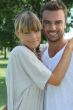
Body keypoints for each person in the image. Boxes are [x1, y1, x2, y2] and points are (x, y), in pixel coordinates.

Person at [4, 11, 73, 110]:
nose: (33, 37)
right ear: (18, 33)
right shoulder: (20, 52)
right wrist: (69, 47)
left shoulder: (35, 51)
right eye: (27, 32)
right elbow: (56, 79)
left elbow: (55, 44)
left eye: (36, 31)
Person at [41, 1, 73, 110]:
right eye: (47, 22)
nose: (52, 28)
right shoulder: (39, 55)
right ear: (41, 24)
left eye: (58, 22)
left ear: (66, 23)